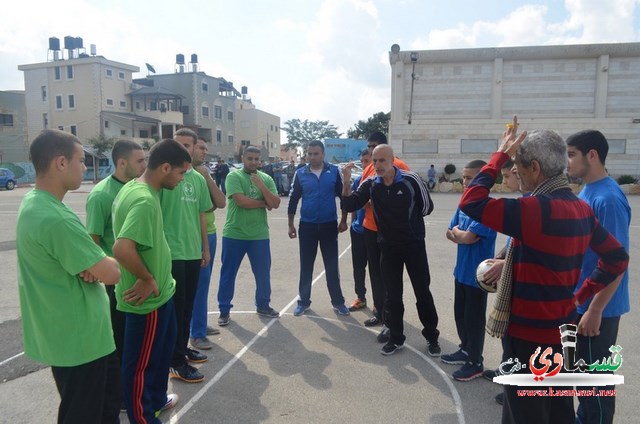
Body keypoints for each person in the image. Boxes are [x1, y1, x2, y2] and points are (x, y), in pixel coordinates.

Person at [459, 117, 628, 424]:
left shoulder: (534, 210)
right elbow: (617, 258)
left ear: (534, 169)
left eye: (518, 167)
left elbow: (471, 201)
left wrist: (498, 155)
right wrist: (582, 294)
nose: (515, 174)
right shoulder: (581, 209)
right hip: (563, 332)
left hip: (527, 338)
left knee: (524, 414)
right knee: (558, 411)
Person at [17, 129, 121, 423]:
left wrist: (93, 264)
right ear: (61, 163)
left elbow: (92, 266)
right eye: (81, 160)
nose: (85, 166)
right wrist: (100, 263)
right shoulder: (56, 218)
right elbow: (111, 273)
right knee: (86, 414)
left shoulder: (33, 203)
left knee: (102, 407)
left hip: (67, 335)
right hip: (81, 341)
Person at [113, 139, 190, 423]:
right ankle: (144, 418)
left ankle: (157, 399)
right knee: (139, 368)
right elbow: (121, 248)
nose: (182, 180)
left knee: (160, 355)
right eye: (181, 173)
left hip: (162, 294)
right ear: (165, 167)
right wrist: (146, 278)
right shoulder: (144, 199)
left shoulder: (139, 186)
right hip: (146, 302)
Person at [341, 145, 441, 357]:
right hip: (387, 246)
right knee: (392, 296)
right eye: (374, 161)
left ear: (392, 160)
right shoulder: (371, 184)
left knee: (422, 292)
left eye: (382, 161)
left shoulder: (411, 180)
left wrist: (408, 226)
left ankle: (432, 336)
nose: (377, 165)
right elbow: (350, 204)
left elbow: (426, 208)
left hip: (413, 245)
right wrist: (346, 180)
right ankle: (396, 338)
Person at [566, 130, 631, 424]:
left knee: (596, 385)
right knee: (585, 378)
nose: (567, 162)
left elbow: (618, 261)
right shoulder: (587, 191)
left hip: (598, 311)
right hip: (582, 302)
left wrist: (595, 309)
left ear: (592, 155)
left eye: (571, 155)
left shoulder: (608, 199)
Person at [86, 139, 146, 364]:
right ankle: (121, 389)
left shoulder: (137, 186)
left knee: (139, 335)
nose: (144, 165)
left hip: (140, 270)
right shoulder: (101, 194)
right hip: (119, 277)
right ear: (122, 163)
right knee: (121, 334)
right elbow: (92, 241)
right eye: (139, 161)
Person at [161, 128, 213, 384]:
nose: (183, 149)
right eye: (178, 144)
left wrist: (205, 247)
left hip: (192, 251)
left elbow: (202, 214)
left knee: (187, 307)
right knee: (176, 309)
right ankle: (175, 361)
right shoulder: (164, 177)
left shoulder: (198, 179)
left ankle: (181, 349)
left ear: (194, 148)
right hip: (171, 253)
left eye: (187, 145)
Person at [442, 160, 497, 381]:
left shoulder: (487, 208)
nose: (465, 182)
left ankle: (475, 361)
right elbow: (449, 232)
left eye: (470, 178)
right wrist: (460, 236)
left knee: (474, 319)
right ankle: (464, 349)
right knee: (461, 315)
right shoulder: (464, 205)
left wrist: (459, 235)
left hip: (478, 277)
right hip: (461, 272)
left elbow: (468, 237)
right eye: (464, 177)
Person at [217, 145, 281, 326]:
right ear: (243, 159)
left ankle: (263, 305)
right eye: (250, 158)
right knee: (228, 274)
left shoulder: (266, 178)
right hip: (234, 234)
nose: (253, 162)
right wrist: (263, 202)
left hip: (259, 235)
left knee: (263, 274)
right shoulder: (233, 176)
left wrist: (261, 186)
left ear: (260, 161)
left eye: (256, 159)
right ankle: (224, 310)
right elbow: (241, 201)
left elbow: (275, 203)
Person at [288, 140, 350, 316]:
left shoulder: (333, 172)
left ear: (323, 154)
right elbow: (293, 199)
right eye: (310, 153)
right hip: (307, 226)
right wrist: (290, 224)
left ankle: (338, 302)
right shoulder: (300, 174)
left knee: (332, 266)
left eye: (316, 153)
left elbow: (343, 196)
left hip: (329, 226)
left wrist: (344, 219)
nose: (312, 157)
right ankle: (303, 302)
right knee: (306, 266)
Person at [358, 131, 410, 334]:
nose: (371, 151)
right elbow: (361, 195)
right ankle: (379, 311)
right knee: (375, 273)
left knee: (390, 276)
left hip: (390, 232)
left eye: (375, 147)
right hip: (370, 228)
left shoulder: (401, 167)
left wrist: (379, 201)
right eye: (369, 147)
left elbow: (406, 201)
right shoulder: (370, 168)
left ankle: (391, 320)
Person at [189, 137, 227, 351]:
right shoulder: (181, 175)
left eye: (205, 148)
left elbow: (219, 202)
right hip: (192, 236)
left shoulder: (203, 173)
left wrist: (207, 177)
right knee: (196, 286)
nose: (204, 152)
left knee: (203, 286)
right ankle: (196, 334)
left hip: (209, 233)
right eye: (200, 148)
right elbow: (205, 207)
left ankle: (199, 325)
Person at [347, 149, 372, 312]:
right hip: (358, 230)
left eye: (368, 160)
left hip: (374, 231)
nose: (365, 164)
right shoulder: (359, 181)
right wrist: (351, 221)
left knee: (379, 270)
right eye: (362, 161)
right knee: (358, 267)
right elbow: (354, 203)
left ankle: (381, 303)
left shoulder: (380, 180)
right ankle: (360, 297)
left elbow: (365, 202)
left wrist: (363, 202)